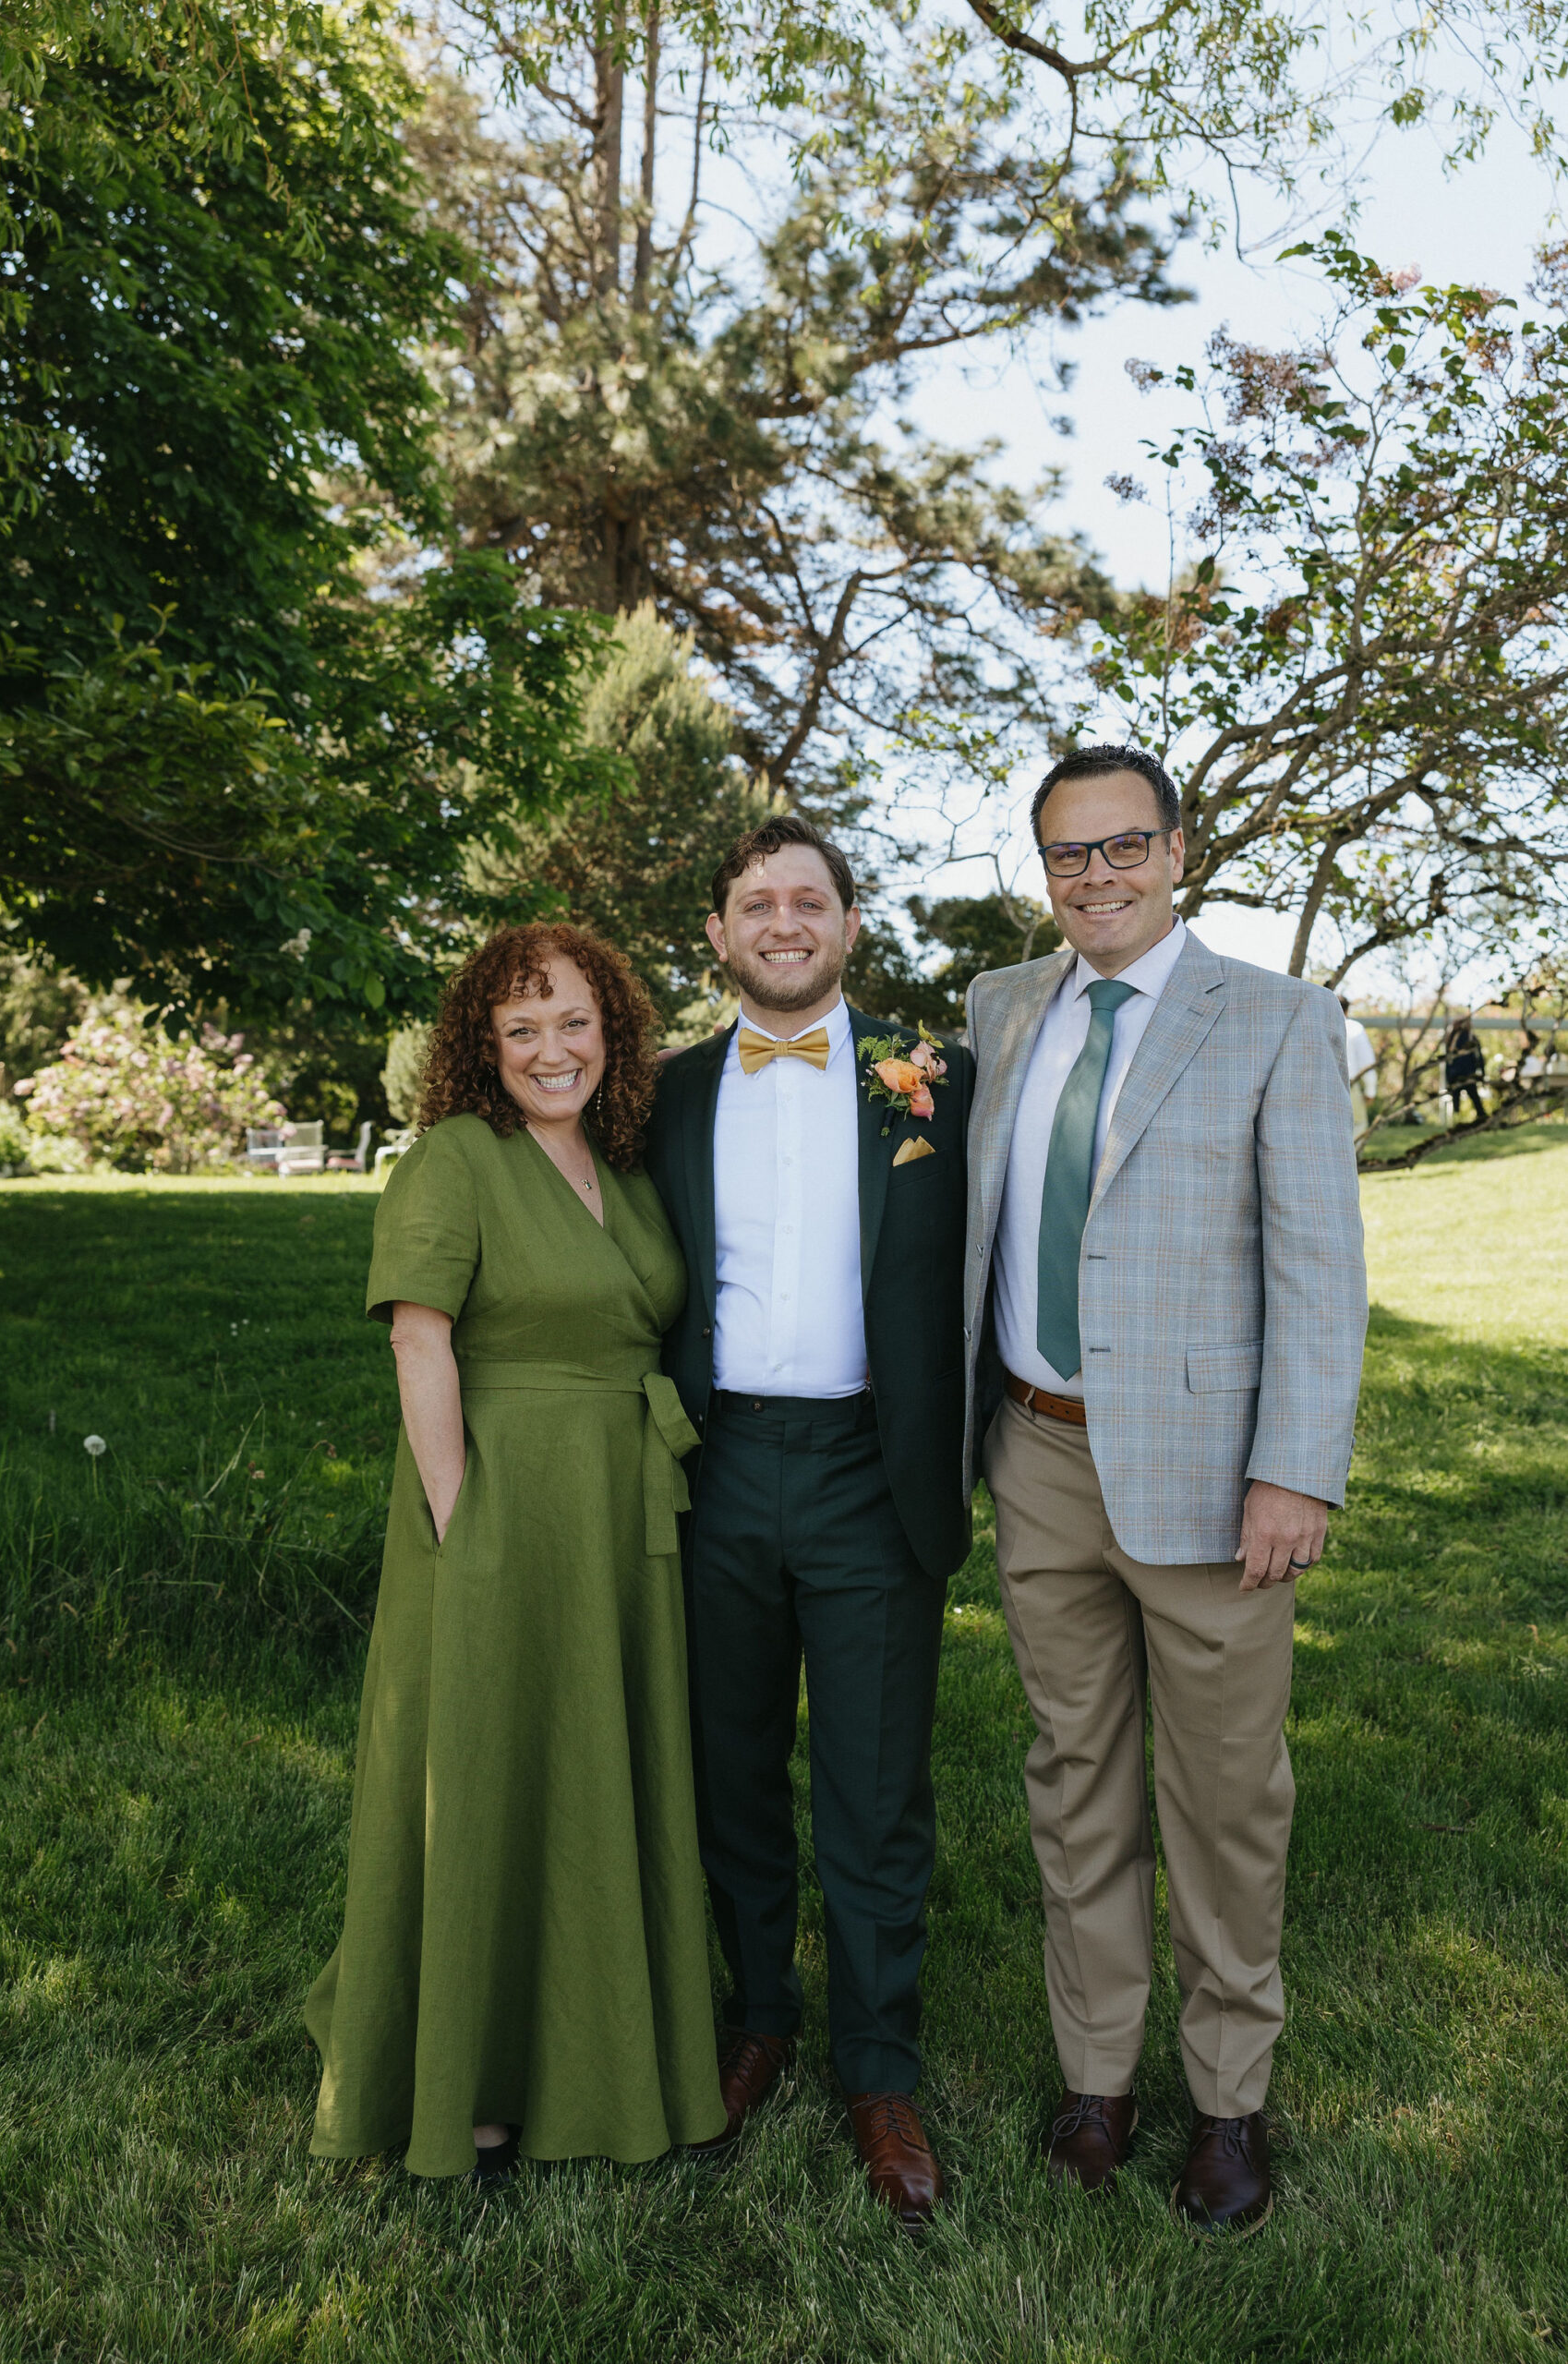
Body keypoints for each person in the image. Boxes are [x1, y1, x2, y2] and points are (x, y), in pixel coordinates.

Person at [962, 744, 1367, 2234]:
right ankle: (1095, 2081)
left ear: (1177, 850)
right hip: (1036, 1453)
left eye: (1123, 845)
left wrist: (1293, 1471)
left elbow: (1319, 1269)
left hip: (1212, 1478)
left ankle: (1225, 2103)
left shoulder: (1273, 1020)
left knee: (1221, 1802)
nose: (1095, 877)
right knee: (1074, 1785)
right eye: (1067, 855)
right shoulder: (1004, 1011)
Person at [306, 923, 726, 2179]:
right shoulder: (453, 1159)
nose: (554, 1049)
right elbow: (418, 1341)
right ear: (482, 1048)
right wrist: (459, 1523)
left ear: (614, 1031)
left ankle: (608, 2060)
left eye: (575, 1022)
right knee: (489, 1773)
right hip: (495, 1504)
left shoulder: (625, 1164)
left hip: (617, 1509)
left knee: (603, 1767)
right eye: (522, 1028)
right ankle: (475, 2096)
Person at [646, 815, 974, 2228]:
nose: (783, 923)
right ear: (716, 935)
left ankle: (877, 2066)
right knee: (725, 1770)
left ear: (848, 925)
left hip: (868, 1466)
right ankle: (757, 2017)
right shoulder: (655, 1094)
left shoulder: (935, 1084)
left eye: (809, 901)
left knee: (871, 1782)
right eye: (754, 904)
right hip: (712, 1468)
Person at [1339, 995, 1379, 1140]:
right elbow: (1366, 1061)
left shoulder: (1319, 1026)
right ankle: (1353, 1162)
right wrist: (1370, 1091)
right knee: (1358, 1125)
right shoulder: (1354, 1028)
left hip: (1320, 1086)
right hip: (1349, 1085)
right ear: (1347, 1009)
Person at [1443, 1018, 1487, 1122]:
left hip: (1462, 1074)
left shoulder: (1460, 1038)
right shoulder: (1455, 1038)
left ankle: (1476, 1118)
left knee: (1468, 1098)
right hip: (1463, 1073)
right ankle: (1461, 1119)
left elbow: (1478, 1056)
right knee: (1466, 1098)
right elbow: (1478, 1057)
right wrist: (1482, 1071)